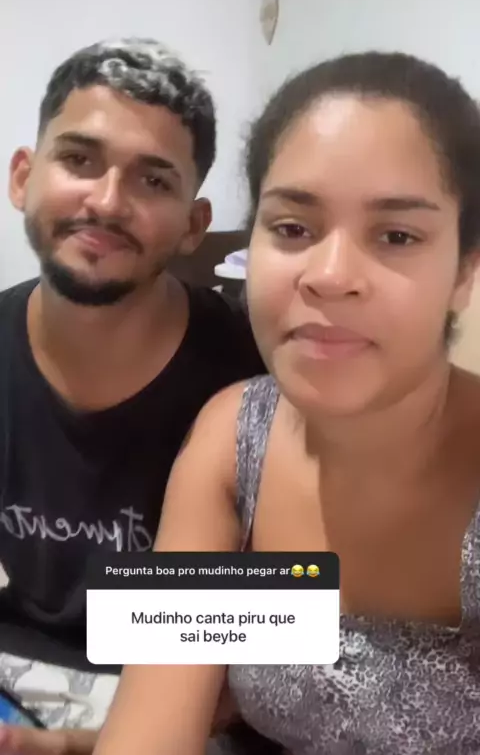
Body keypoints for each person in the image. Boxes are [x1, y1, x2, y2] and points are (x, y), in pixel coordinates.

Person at [94, 50, 480, 755]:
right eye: (293, 228)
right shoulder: (230, 437)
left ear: (464, 271)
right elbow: (155, 711)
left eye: (396, 235)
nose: (329, 276)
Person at [0, 38, 266, 754]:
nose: (107, 202)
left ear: (193, 225)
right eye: (79, 160)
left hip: (188, 702)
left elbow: (277, 643)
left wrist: (71, 745)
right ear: (23, 177)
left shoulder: (252, 384)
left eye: (152, 180)